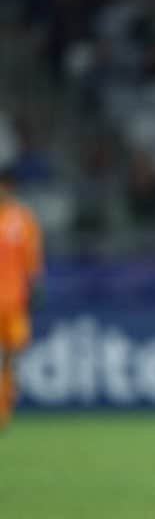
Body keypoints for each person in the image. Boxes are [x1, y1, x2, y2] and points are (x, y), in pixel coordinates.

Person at [0, 170, 42, 429]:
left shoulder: (23, 219)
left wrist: (35, 284)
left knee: (12, 356)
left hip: (13, 302)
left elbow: (32, 258)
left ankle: (3, 408)